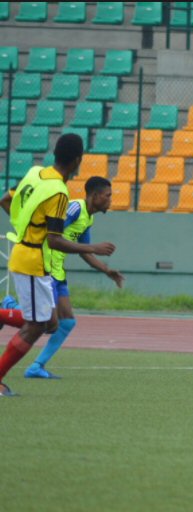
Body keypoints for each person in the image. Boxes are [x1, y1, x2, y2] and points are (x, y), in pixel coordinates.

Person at [0, 134, 116, 397]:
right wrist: (93, 248)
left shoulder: (35, 173)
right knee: (37, 326)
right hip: (34, 261)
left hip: (26, 254)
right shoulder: (60, 193)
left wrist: (25, 229)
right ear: (78, 160)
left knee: (48, 323)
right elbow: (53, 240)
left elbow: (5, 201)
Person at [24, 176, 125, 379]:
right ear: (94, 196)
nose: (110, 200)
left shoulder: (88, 217)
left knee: (67, 322)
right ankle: (8, 308)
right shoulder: (74, 209)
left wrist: (106, 270)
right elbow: (52, 238)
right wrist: (93, 247)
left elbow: (85, 252)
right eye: (107, 196)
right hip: (44, 267)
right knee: (47, 323)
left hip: (57, 271)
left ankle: (36, 366)